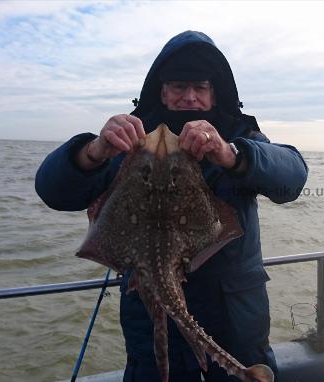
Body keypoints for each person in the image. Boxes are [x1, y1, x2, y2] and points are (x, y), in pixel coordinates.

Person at [35, 31, 308, 381]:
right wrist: (93, 151)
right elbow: (53, 191)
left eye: (200, 87)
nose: (189, 97)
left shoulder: (238, 137)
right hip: (146, 309)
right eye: (179, 87)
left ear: (215, 92)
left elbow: (293, 177)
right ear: (162, 91)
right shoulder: (131, 143)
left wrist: (230, 154)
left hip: (234, 316)